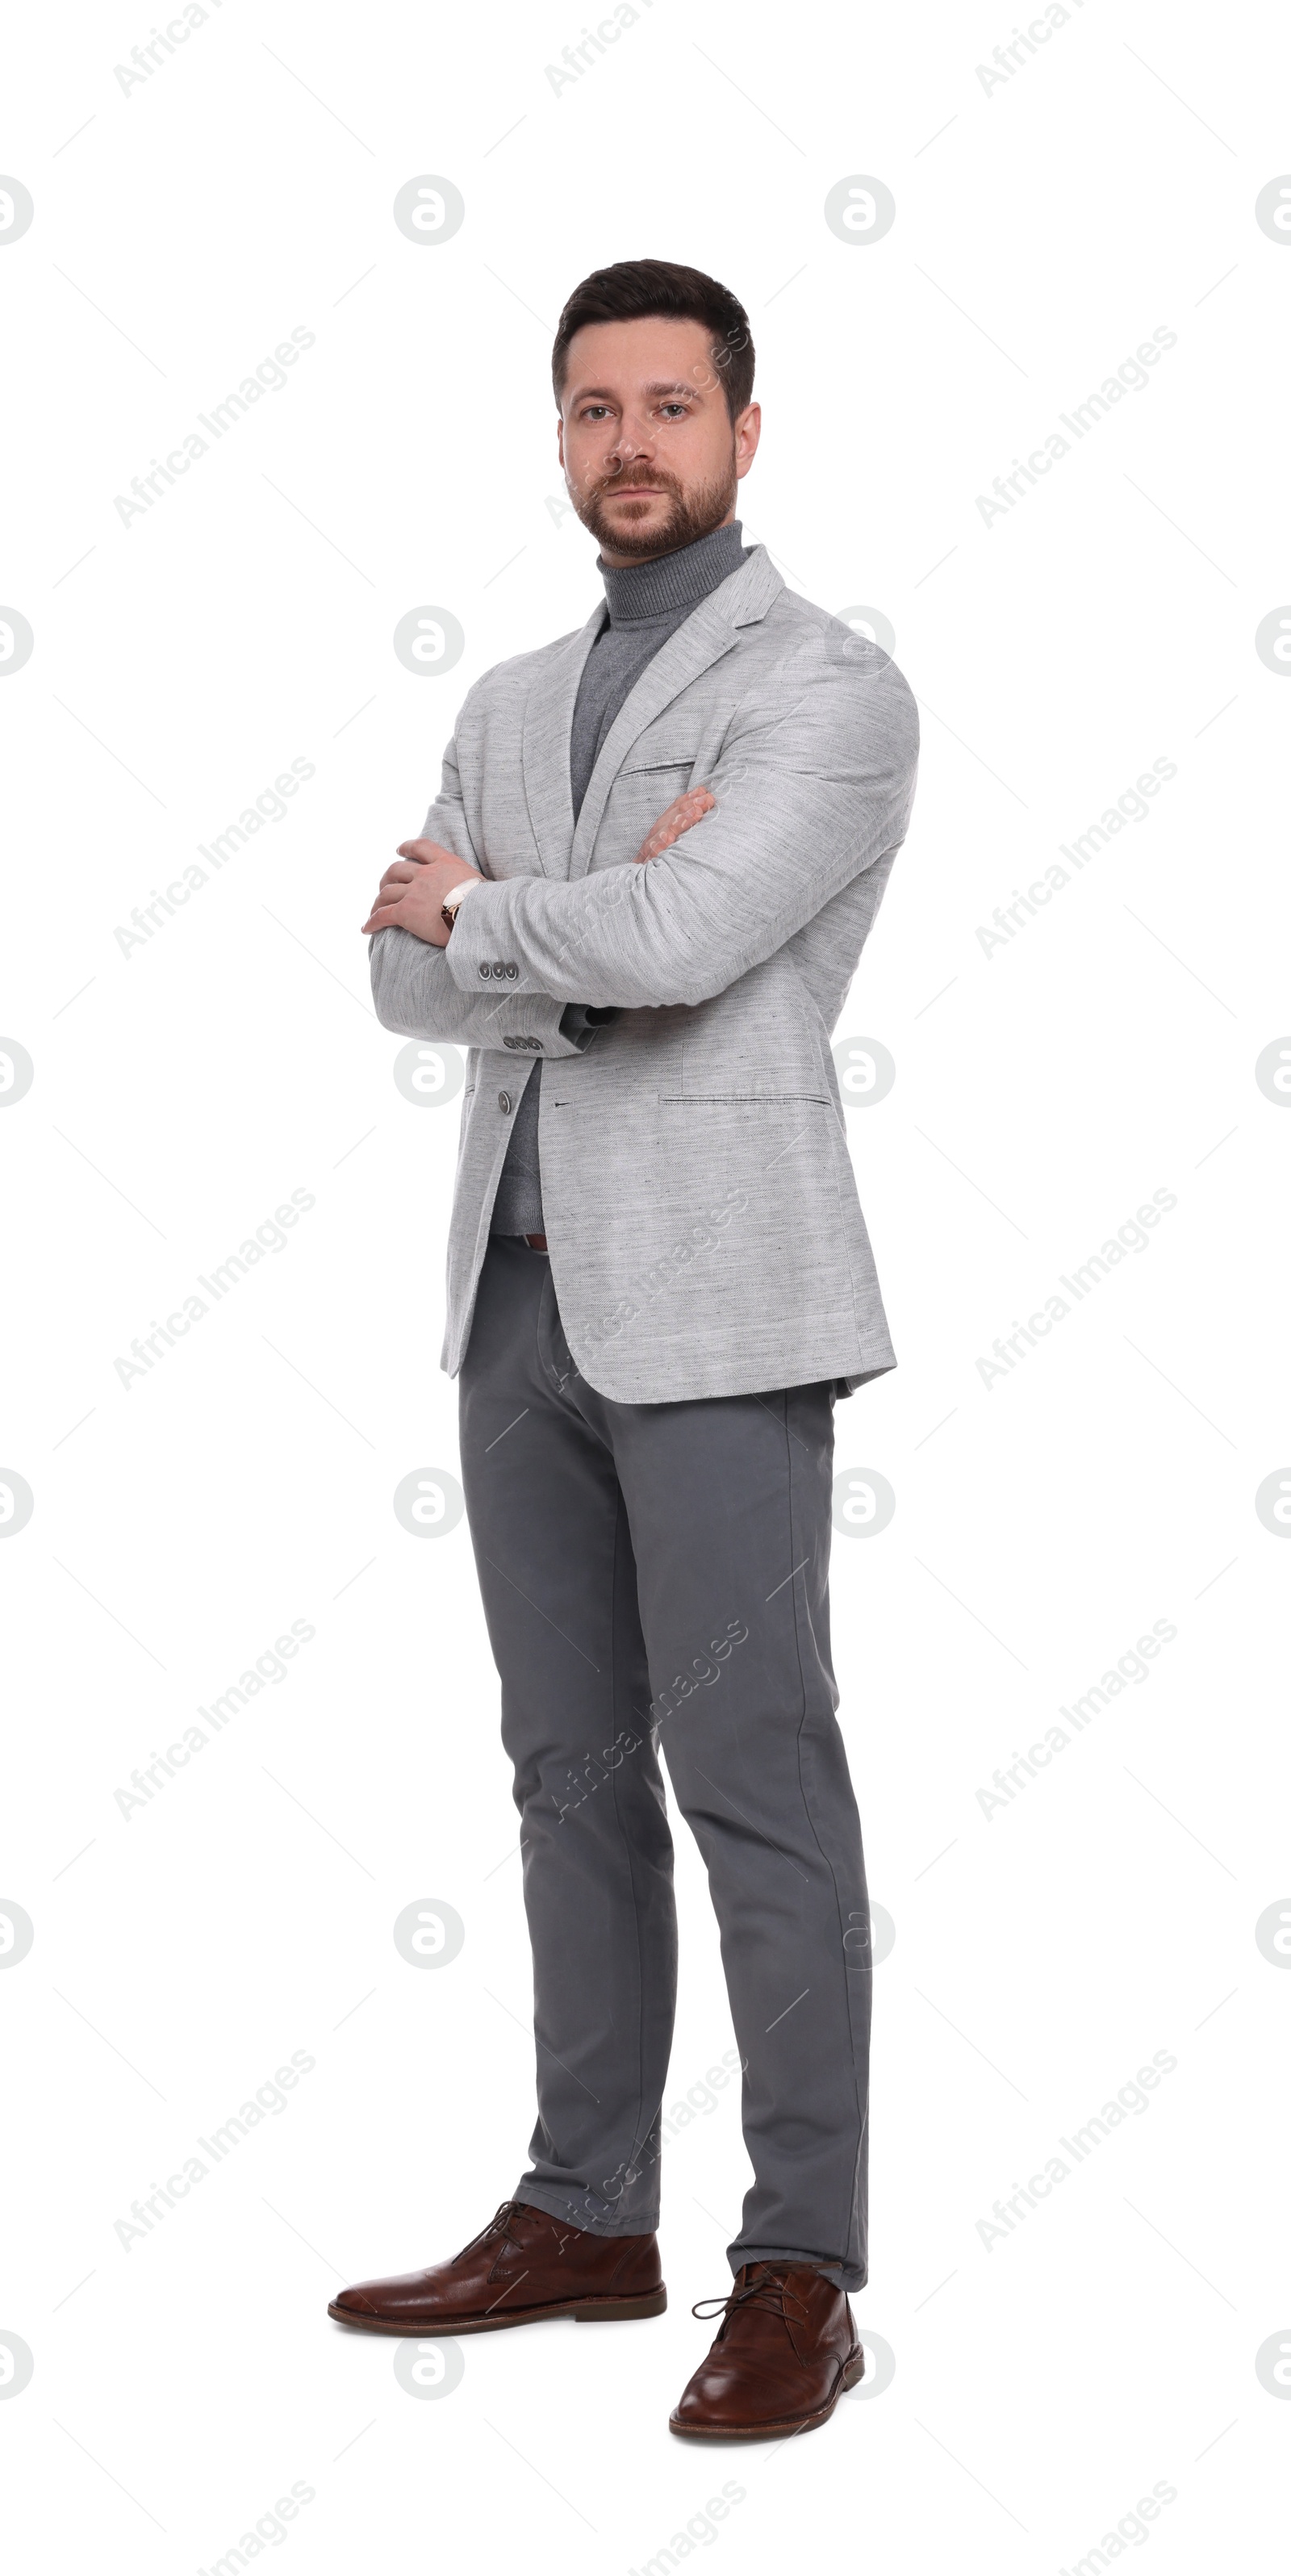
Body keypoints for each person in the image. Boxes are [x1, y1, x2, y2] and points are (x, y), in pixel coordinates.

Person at [329, 258, 920, 2440]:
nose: (632, 444)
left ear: (746, 435)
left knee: (757, 1785)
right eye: (595, 410)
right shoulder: (503, 697)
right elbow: (401, 989)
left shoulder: (829, 688)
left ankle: (800, 2268)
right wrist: (555, 924)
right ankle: (588, 2212)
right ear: (560, 436)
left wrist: (493, 915)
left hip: (724, 1309)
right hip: (516, 1297)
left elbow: (680, 940)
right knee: (564, 1778)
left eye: (674, 406)